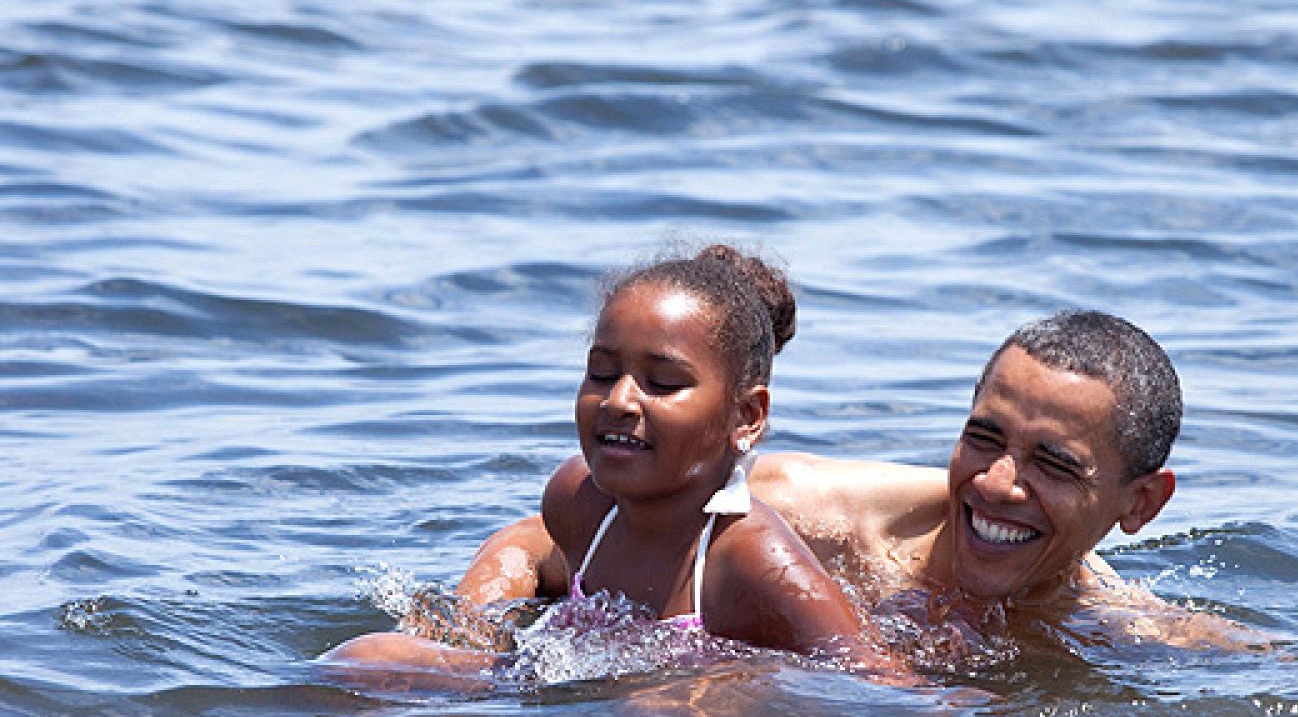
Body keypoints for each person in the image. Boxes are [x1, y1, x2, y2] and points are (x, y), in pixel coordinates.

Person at [450, 307, 1248, 654]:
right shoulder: (807, 516)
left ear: (1141, 503)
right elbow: (538, 542)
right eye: (983, 438)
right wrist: (469, 643)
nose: (998, 484)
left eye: (1054, 465)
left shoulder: (1117, 624)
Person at [325, 244, 885, 688]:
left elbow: (881, 683)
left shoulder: (750, 558)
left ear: (746, 415)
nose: (618, 400)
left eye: (662, 383)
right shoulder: (580, 502)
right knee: (359, 661)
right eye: (600, 372)